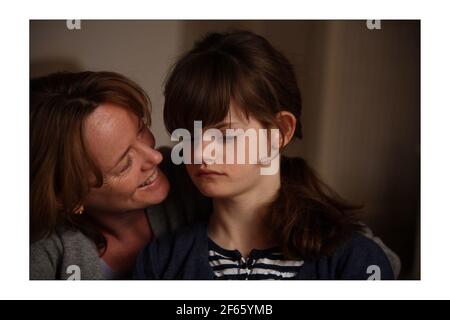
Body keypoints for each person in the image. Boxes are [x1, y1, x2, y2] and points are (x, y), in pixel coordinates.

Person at [134, 31, 397, 280]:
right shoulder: (160, 262)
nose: (200, 152)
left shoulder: (354, 260)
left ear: (280, 131)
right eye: (188, 135)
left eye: (226, 135)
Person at [30, 71, 210, 279]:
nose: (155, 157)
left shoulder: (195, 176)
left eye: (141, 130)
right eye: (125, 164)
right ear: (69, 197)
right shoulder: (41, 257)